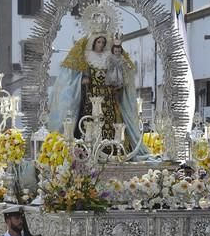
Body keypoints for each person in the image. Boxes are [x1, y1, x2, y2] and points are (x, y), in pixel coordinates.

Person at [46, 15, 147, 155]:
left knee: (112, 124)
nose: (101, 44)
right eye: (98, 42)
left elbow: (121, 68)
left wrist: (119, 80)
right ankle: (89, 150)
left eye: (103, 42)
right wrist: (83, 81)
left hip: (109, 97)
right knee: (89, 123)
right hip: (91, 97)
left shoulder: (109, 56)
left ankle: (113, 150)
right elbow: (74, 78)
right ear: (94, 43)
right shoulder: (86, 55)